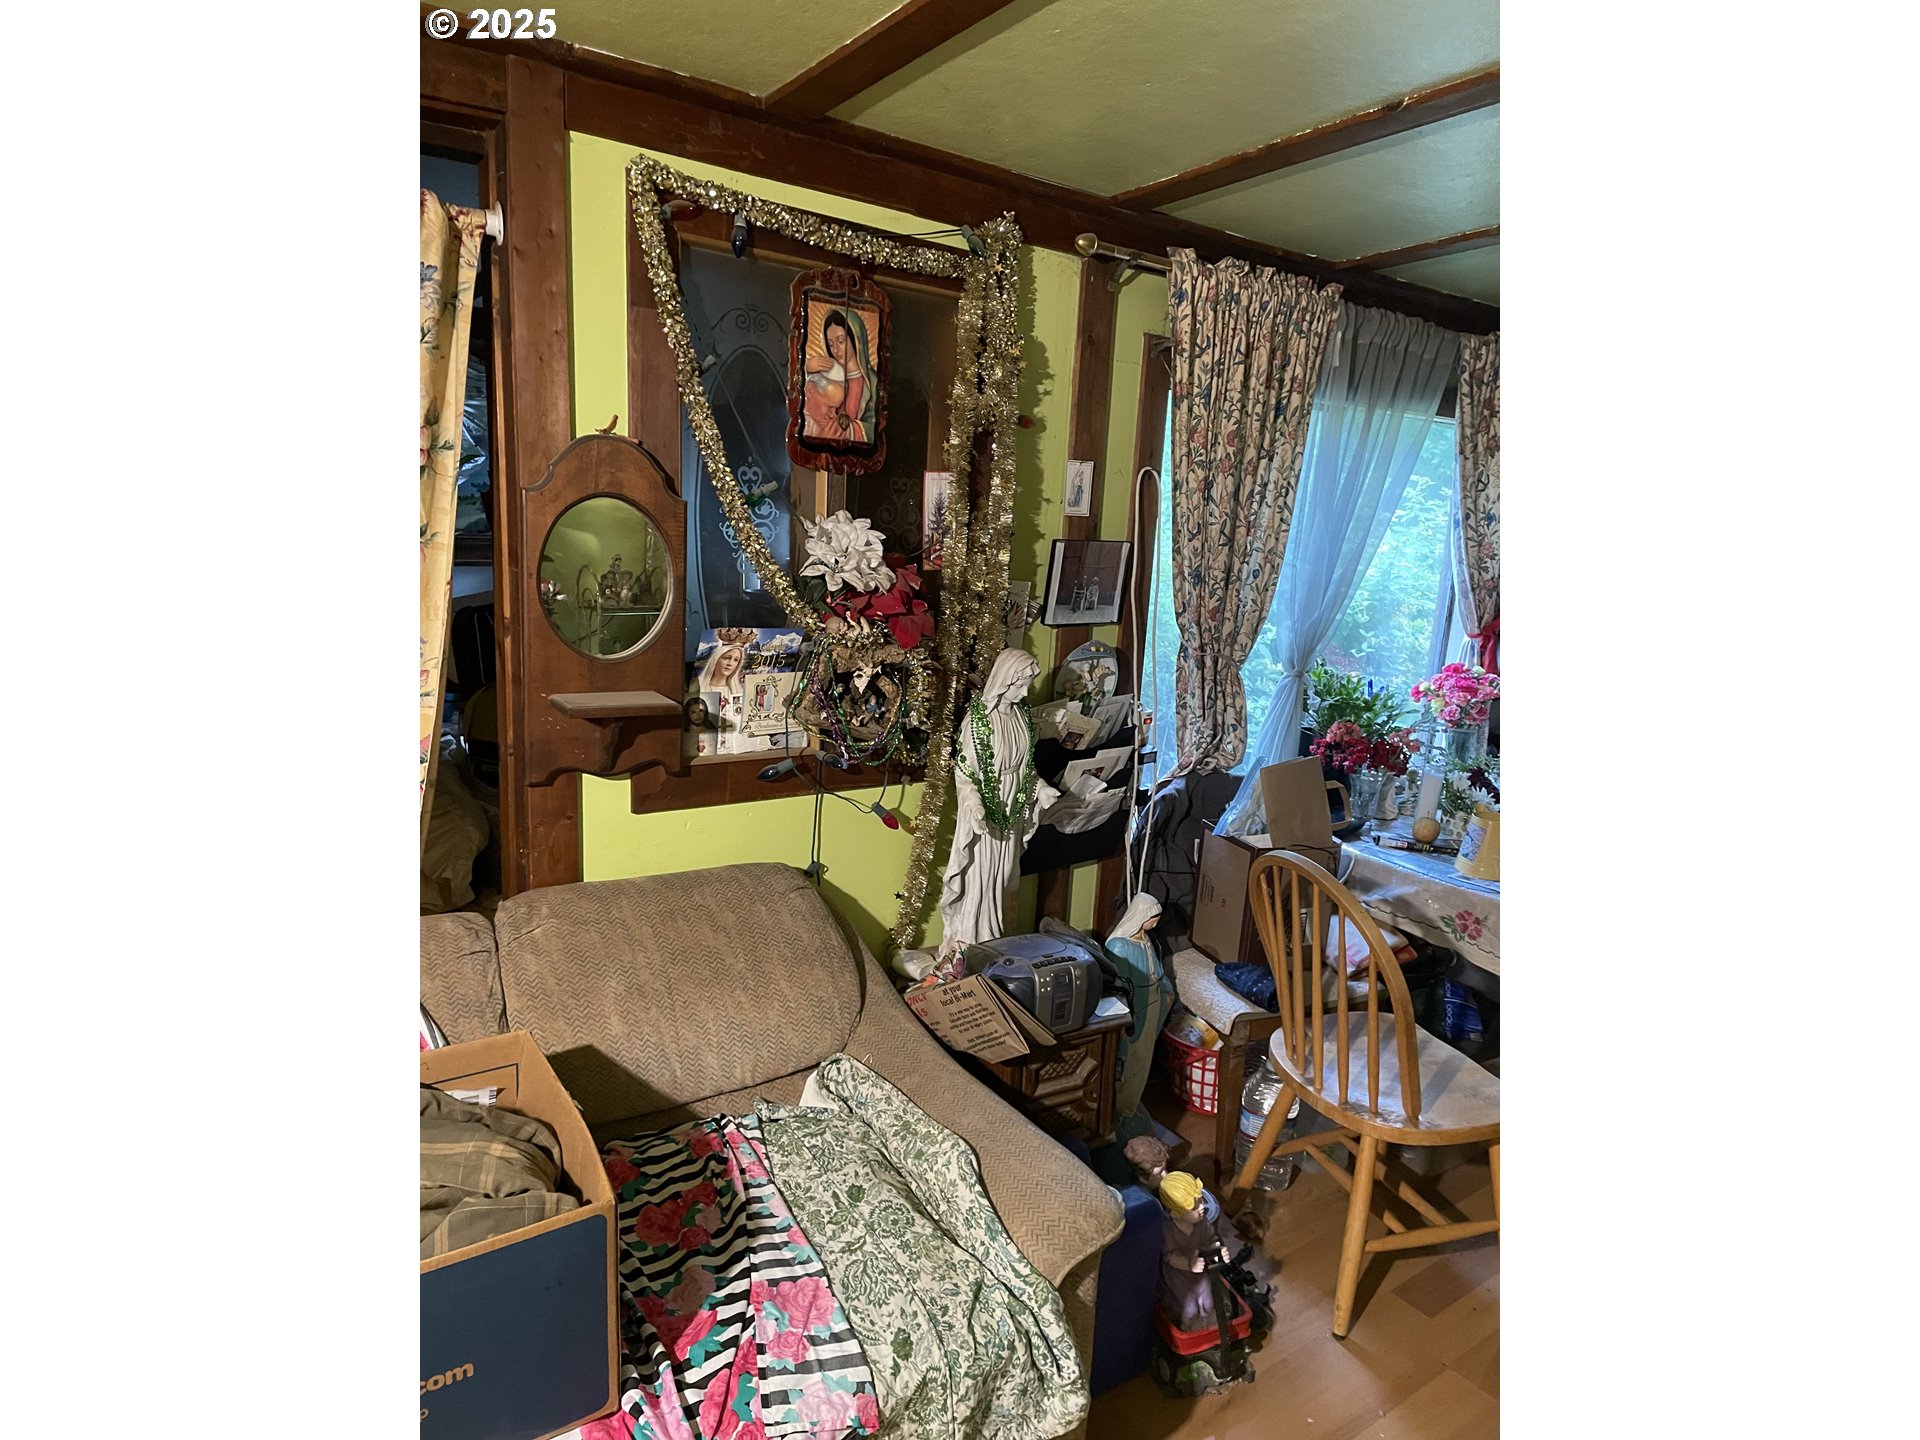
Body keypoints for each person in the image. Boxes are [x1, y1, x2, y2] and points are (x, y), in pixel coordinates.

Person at [938, 648, 1060, 953]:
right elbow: (965, 773)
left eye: (1028, 685)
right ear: (1004, 680)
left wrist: (1041, 788)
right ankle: (972, 944)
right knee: (980, 879)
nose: (1025, 692)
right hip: (986, 808)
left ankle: (997, 941)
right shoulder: (979, 720)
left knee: (1004, 876)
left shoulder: (1021, 717)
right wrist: (975, 807)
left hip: (1013, 807)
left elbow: (1025, 769)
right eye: (1019, 685)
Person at [802, 309, 870, 444]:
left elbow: (875, 427)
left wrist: (850, 430)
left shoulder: (872, 383)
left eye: (841, 341)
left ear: (855, 339)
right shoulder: (829, 373)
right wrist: (806, 366)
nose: (836, 350)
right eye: (831, 344)